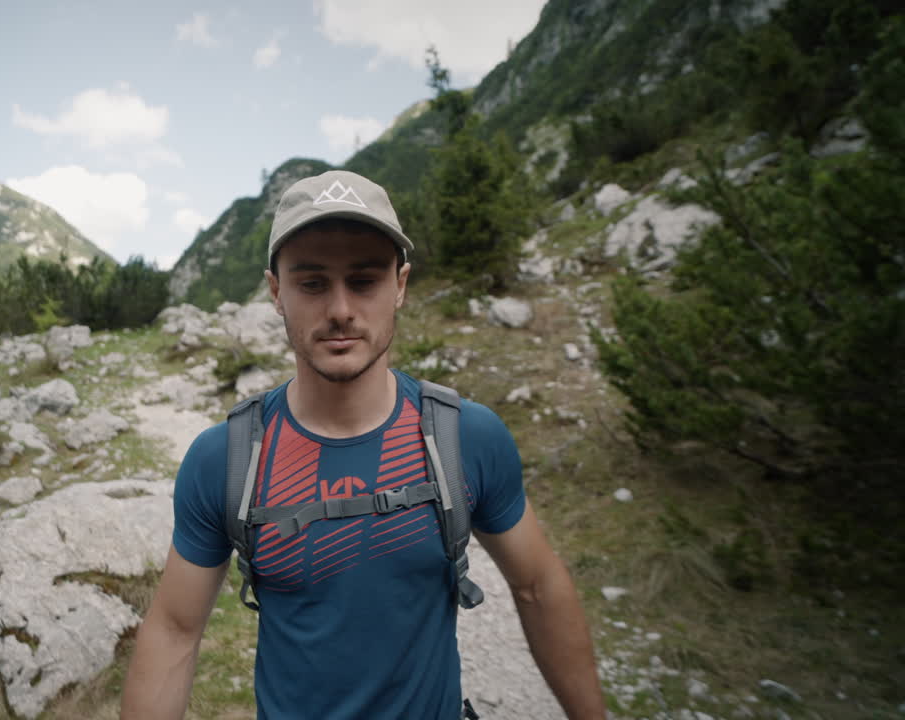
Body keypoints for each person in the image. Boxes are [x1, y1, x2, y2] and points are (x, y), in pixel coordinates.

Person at [120, 170, 606, 719]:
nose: (341, 310)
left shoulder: (466, 437)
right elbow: (173, 630)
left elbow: (538, 586)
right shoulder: (224, 460)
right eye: (312, 284)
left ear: (400, 285)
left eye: (365, 280)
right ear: (276, 292)